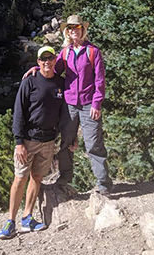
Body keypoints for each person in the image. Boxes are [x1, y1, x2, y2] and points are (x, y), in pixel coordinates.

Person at [23, 14, 113, 195]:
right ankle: (65, 177)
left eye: (77, 28)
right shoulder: (65, 52)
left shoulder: (93, 51)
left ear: (82, 30)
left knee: (93, 143)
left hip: (89, 104)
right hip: (69, 104)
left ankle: (103, 184)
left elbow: (100, 80)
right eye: (70, 28)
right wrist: (38, 69)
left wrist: (97, 103)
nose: (73, 31)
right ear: (66, 32)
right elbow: (54, 71)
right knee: (66, 143)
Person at [0, 46, 64, 239]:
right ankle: (10, 221)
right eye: (43, 59)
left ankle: (27, 217)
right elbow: (19, 112)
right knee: (20, 178)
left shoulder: (60, 82)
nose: (47, 62)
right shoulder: (29, 82)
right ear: (38, 62)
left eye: (50, 58)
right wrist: (19, 142)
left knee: (37, 177)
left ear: (55, 60)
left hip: (49, 140)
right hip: (28, 140)